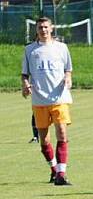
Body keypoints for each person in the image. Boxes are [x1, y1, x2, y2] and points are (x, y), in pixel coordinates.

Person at [21, 17, 73, 185]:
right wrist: (25, 85)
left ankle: (62, 174)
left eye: (45, 27)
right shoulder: (30, 50)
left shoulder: (62, 48)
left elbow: (68, 69)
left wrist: (68, 78)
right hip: (39, 100)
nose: (43, 30)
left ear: (51, 28)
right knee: (44, 139)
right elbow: (24, 74)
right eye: (40, 27)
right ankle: (54, 170)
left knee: (62, 133)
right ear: (36, 30)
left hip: (59, 98)